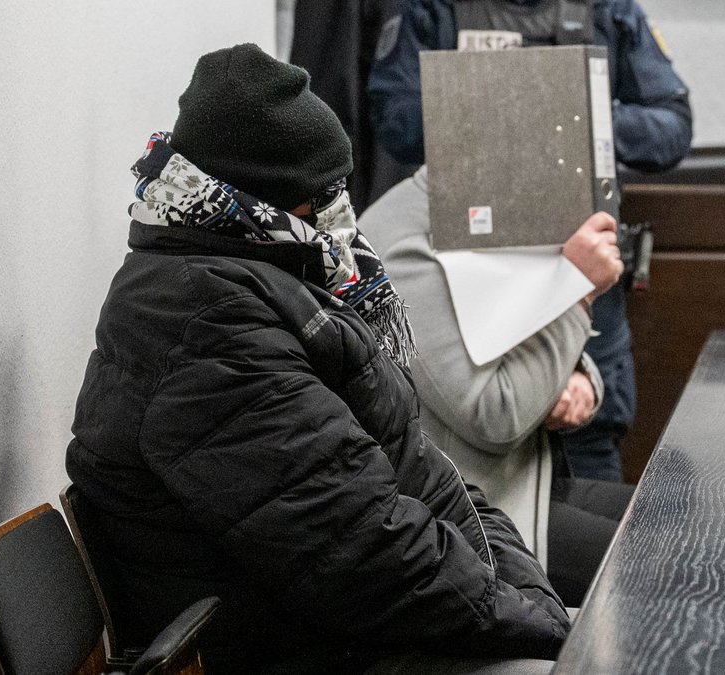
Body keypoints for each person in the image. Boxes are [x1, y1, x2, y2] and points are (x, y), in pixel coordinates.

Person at [66, 43, 568, 675]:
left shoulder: (270, 275)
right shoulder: (202, 317)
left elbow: (421, 472)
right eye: (325, 193)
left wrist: (533, 606)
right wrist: (539, 625)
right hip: (283, 647)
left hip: (330, 624)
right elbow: (359, 550)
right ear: (266, 200)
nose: (341, 210)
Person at [367, 0, 694, 481]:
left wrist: (572, 105)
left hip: (584, 281)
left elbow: (671, 130)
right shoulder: (433, 8)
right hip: (467, 288)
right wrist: (516, 100)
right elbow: (396, 120)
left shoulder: (607, 9)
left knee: (593, 473)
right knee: (482, 481)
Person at [361, 167, 637, 607]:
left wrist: (581, 379)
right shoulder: (402, 241)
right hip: (473, 519)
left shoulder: (484, 205)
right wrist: (579, 290)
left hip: (527, 479)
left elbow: (524, 336)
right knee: (668, 567)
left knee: (683, 524)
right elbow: (496, 414)